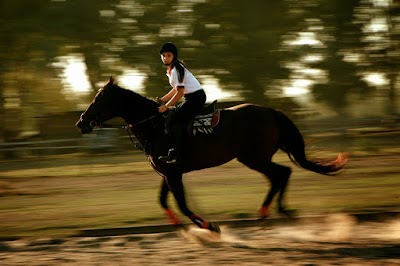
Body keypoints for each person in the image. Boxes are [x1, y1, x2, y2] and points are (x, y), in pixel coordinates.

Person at [157, 42, 207, 164]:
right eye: (163, 55)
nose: (165, 58)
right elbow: (175, 89)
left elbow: (179, 93)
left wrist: (166, 106)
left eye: (168, 55)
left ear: (174, 56)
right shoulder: (172, 70)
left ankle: (174, 152)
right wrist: (162, 100)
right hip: (192, 98)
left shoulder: (176, 70)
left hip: (195, 98)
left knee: (172, 119)